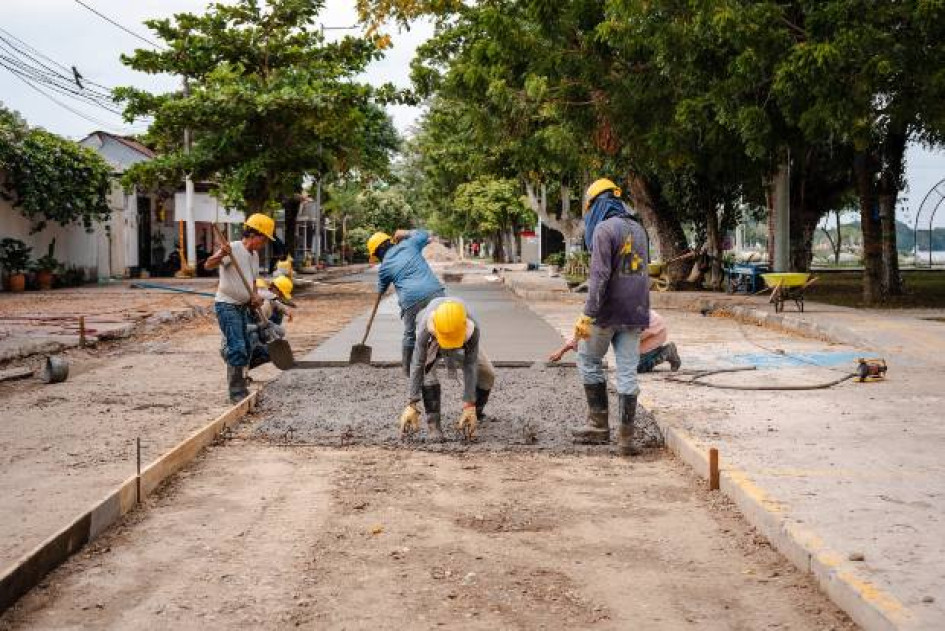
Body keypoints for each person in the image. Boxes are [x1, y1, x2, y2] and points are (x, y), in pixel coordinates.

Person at [571, 178, 650, 456]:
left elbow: (600, 276)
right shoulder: (639, 229)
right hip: (636, 312)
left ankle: (598, 425)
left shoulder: (604, 229)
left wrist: (587, 314)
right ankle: (626, 439)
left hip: (606, 313)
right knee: (627, 372)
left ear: (595, 205)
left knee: (588, 359)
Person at [399, 297, 494, 442]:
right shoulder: (427, 326)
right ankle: (434, 426)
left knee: (487, 374)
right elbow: (418, 363)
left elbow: (470, 365)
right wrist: (412, 403)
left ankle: (474, 413)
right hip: (435, 341)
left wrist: (469, 404)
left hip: (461, 341)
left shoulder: (472, 328)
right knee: (428, 373)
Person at [205, 213, 274, 403]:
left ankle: (239, 379)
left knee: (248, 349)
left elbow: (251, 282)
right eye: (265, 239)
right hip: (227, 305)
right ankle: (237, 394)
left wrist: (255, 298)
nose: (265, 243)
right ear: (255, 235)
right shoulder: (233, 248)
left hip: (242, 307)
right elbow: (208, 265)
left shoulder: (254, 256)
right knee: (238, 347)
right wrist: (221, 254)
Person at [367, 229, 446, 375]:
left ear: (378, 252)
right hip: (434, 291)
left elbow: (381, 288)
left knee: (409, 333)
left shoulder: (384, 267)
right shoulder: (409, 244)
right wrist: (406, 233)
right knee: (444, 320)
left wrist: (381, 288)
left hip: (410, 300)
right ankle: (440, 348)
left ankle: (406, 370)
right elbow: (424, 234)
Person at [549, 309, 681, 373]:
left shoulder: (608, 319)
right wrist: (561, 351)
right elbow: (577, 338)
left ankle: (666, 352)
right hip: (638, 329)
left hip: (654, 329)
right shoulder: (590, 318)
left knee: (634, 368)